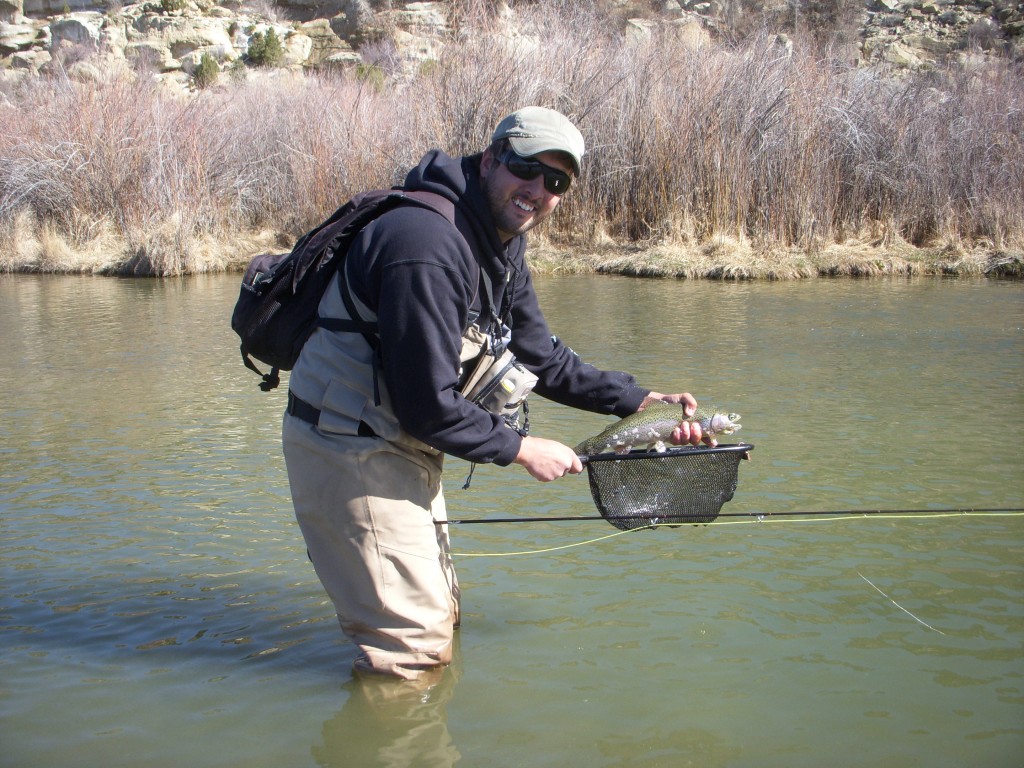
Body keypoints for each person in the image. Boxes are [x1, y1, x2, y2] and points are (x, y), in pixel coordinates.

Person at [282, 106, 714, 681]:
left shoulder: (501, 240)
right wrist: (522, 449)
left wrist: (637, 401)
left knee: (442, 620)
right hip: (350, 447)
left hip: (404, 441)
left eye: (556, 181)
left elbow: (542, 356)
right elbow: (429, 404)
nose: (537, 190)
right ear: (491, 159)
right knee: (411, 647)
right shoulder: (424, 244)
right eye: (525, 168)